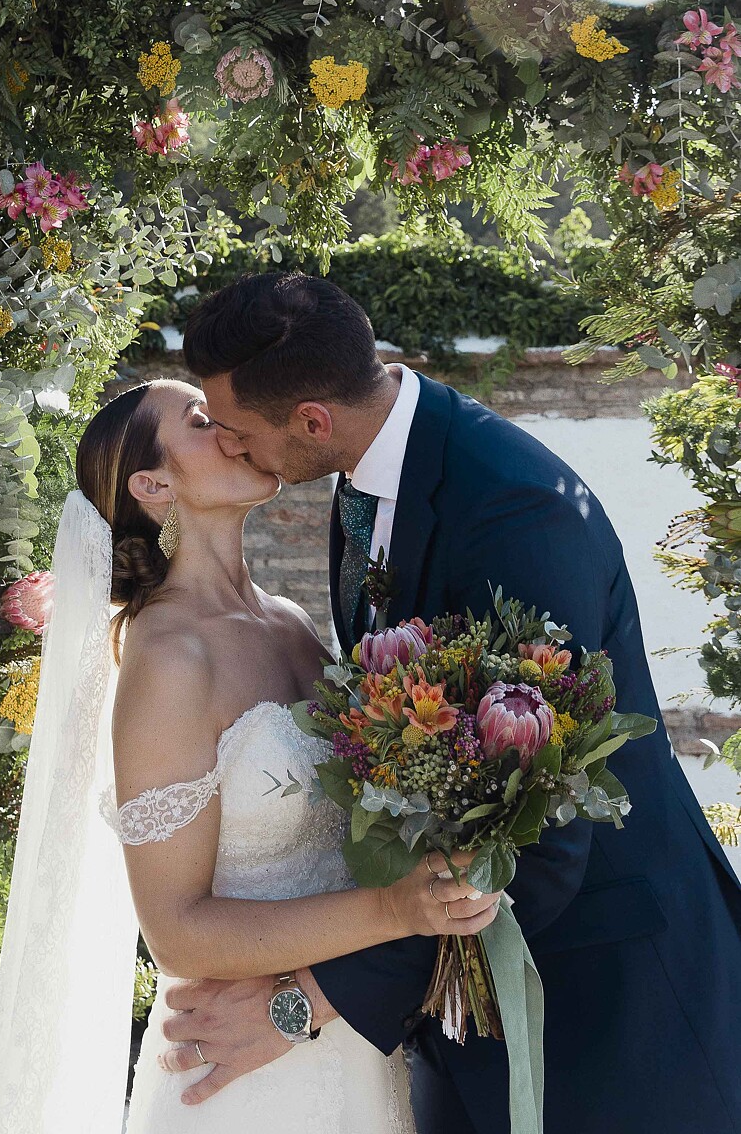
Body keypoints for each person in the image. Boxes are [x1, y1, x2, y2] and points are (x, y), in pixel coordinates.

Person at [152, 270, 741, 1134]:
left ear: (311, 418)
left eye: (238, 433)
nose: (233, 449)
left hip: (610, 1011)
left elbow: (542, 832)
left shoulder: (514, 516)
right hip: (463, 1011)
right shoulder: (366, 472)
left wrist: (308, 999)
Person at [0, 375, 500, 1134]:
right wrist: (393, 908)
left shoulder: (287, 623)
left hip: (354, 1052)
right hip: (239, 1083)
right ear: (151, 483)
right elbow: (175, 932)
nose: (229, 425)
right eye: (199, 420)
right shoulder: (168, 658)